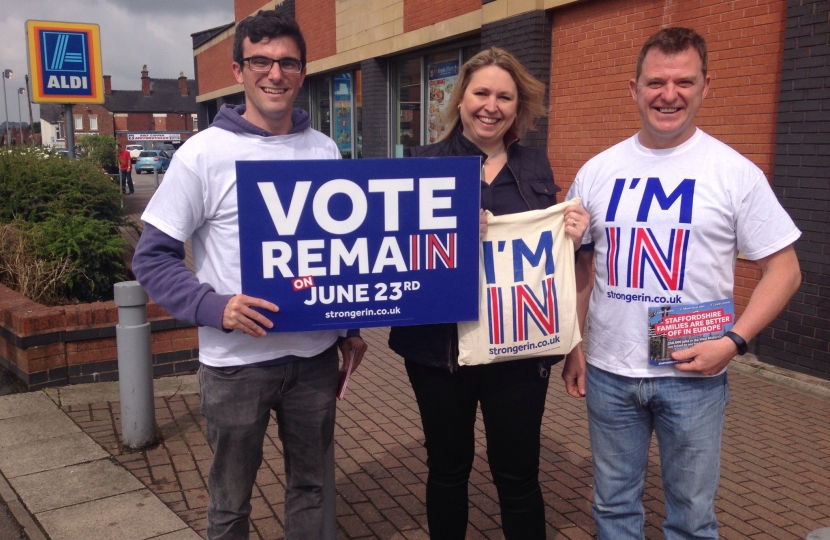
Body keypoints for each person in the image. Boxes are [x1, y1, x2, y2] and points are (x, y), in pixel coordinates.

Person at [132, 10, 367, 540]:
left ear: (303, 73)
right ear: (238, 71)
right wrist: (216, 307)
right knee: (230, 502)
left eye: (287, 62)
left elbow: (342, 253)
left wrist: (350, 328)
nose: (275, 73)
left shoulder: (325, 149)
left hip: (312, 358)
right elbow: (152, 257)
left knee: (311, 490)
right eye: (260, 61)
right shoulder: (202, 155)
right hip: (236, 364)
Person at [562, 27, 802, 539]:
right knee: (613, 507)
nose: (668, 95)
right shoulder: (598, 171)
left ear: (705, 87)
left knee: (692, 517)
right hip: (609, 372)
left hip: (694, 373)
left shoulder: (734, 173)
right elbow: (583, 268)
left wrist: (734, 342)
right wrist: (574, 344)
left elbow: (785, 270)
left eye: (684, 82)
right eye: (655, 82)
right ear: (633, 88)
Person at [388, 47, 589, 540]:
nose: (491, 106)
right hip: (439, 352)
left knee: (518, 474)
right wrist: (440, 231)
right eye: (481, 93)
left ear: (518, 107)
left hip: (519, 351)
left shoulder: (536, 169)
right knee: (448, 468)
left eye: (504, 96)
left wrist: (573, 238)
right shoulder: (422, 165)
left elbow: (553, 263)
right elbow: (389, 251)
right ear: (460, 100)